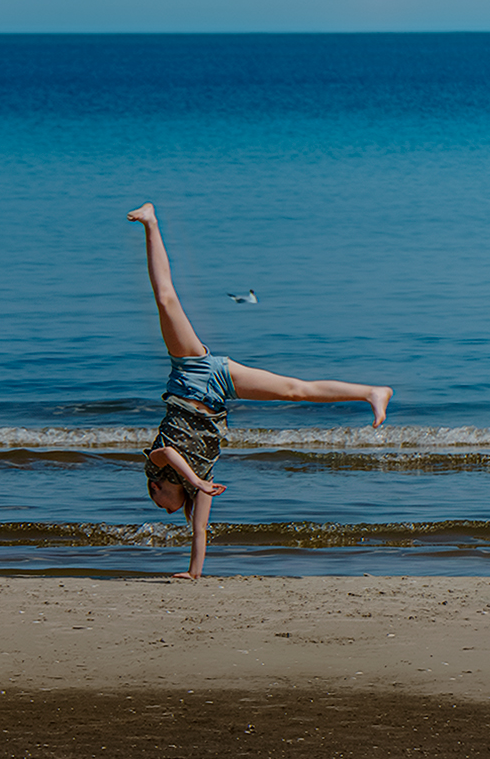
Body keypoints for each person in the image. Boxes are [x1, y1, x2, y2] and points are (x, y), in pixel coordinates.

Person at [128, 202, 393, 579]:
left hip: (192, 373)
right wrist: (193, 573)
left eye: (159, 503)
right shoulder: (199, 483)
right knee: (295, 390)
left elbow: (169, 451)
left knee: (166, 299)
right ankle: (371, 391)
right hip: (217, 391)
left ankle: (151, 222)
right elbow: (199, 530)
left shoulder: (156, 465)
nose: (167, 509)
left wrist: (195, 480)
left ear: (156, 487)